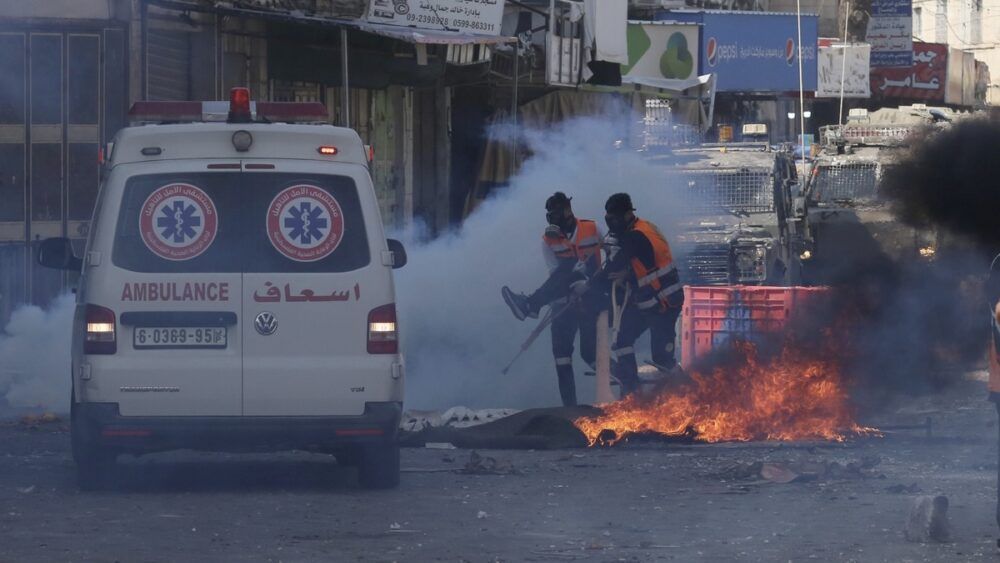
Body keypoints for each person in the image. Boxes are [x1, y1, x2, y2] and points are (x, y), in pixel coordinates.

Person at [502, 192, 603, 406]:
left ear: (567, 210)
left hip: (591, 294)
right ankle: (570, 409)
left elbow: (610, 256)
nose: (552, 218)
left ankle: (530, 305)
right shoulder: (548, 240)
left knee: (590, 353)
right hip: (564, 298)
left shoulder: (593, 228)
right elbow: (555, 274)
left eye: (555, 213)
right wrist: (570, 287)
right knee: (561, 355)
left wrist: (591, 283)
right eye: (549, 214)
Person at [584, 192, 684, 396]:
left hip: (664, 303)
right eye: (609, 219)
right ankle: (631, 393)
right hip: (647, 302)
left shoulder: (636, 236)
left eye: (615, 219)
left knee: (662, 358)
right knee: (622, 341)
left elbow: (614, 265)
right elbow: (643, 263)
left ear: (628, 214)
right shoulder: (643, 227)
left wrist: (586, 287)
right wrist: (628, 274)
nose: (612, 224)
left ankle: (689, 393)